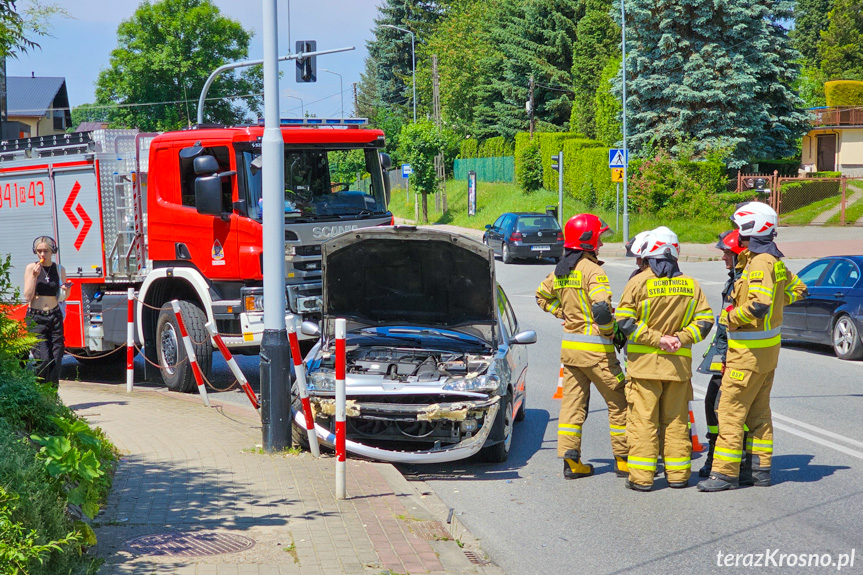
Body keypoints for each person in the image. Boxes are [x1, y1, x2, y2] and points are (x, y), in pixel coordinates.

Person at [698, 202, 807, 491]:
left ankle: (724, 475)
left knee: (730, 414)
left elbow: (758, 306)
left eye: (739, 227)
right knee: (759, 416)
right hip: (766, 357)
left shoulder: (760, 263)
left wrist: (730, 317)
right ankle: (760, 472)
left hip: (745, 357)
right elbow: (798, 290)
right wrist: (775, 308)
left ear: (751, 228)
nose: (736, 232)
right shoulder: (775, 262)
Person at [615, 227, 713, 491]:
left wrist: (657, 339)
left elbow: (624, 321)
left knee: (643, 422)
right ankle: (679, 476)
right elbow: (705, 321)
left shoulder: (637, 283)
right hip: (678, 369)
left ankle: (642, 479)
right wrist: (681, 338)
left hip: (644, 369)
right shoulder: (691, 285)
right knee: (677, 421)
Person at [535, 213, 629, 479]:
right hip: (597, 352)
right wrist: (610, 331)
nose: (600, 245)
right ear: (588, 240)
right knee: (620, 403)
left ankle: (572, 463)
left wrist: (562, 313)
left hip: (571, 352)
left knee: (572, 407)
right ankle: (623, 461)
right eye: (599, 239)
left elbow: (541, 296)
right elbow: (601, 307)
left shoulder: (561, 270)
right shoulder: (593, 270)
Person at [696, 230, 745, 477]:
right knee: (711, 403)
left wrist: (726, 358)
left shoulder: (745, 280)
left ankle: (730, 460)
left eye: (727, 253)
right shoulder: (734, 279)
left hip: (738, 356)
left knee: (722, 407)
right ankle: (716, 453)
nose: (724, 258)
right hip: (725, 353)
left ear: (739, 255)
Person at [22, 236, 70, 388]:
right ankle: (40, 394)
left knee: (56, 360)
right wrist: (34, 278)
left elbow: (64, 297)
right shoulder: (31, 268)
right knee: (43, 360)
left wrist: (65, 290)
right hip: (36, 317)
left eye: (46, 251)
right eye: (39, 251)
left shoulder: (59, 269)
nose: (42, 255)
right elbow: (27, 296)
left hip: (55, 316)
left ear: (52, 251)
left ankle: (52, 398)